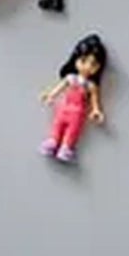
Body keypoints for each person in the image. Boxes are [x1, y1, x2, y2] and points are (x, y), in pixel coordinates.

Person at [40, 35, 109, 164]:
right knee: (57, 124)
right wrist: (50, 95)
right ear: (75, 59)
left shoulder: (91, 86)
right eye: (83, 61)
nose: (87, 67)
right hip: (64, 108)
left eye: (93, 64)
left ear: (98, 67)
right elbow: (59, 88)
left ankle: (66, 147)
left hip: (77, 113)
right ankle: (53, 141)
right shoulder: (70, 78)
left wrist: (96, 110)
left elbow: (94, 100)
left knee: (73, 130)